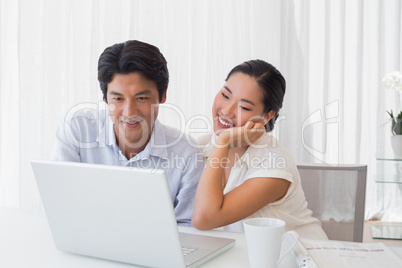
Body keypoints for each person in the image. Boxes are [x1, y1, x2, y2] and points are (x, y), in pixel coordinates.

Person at [52, 40, 203, 226]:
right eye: (118, 98)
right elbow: (60, 206)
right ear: (106, 98)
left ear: (162, 96)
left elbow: (188, 228)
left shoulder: (186, 153)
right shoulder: (77, 129)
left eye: (141, 98)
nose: (129, 112)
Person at [192, 59, 328, 239]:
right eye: (225, 95)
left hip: (297, 257)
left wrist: (224, 142)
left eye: (244, 107)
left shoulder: (275, 163)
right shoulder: (201, 147)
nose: (226, 111)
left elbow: (205, 218)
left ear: (266, 116)